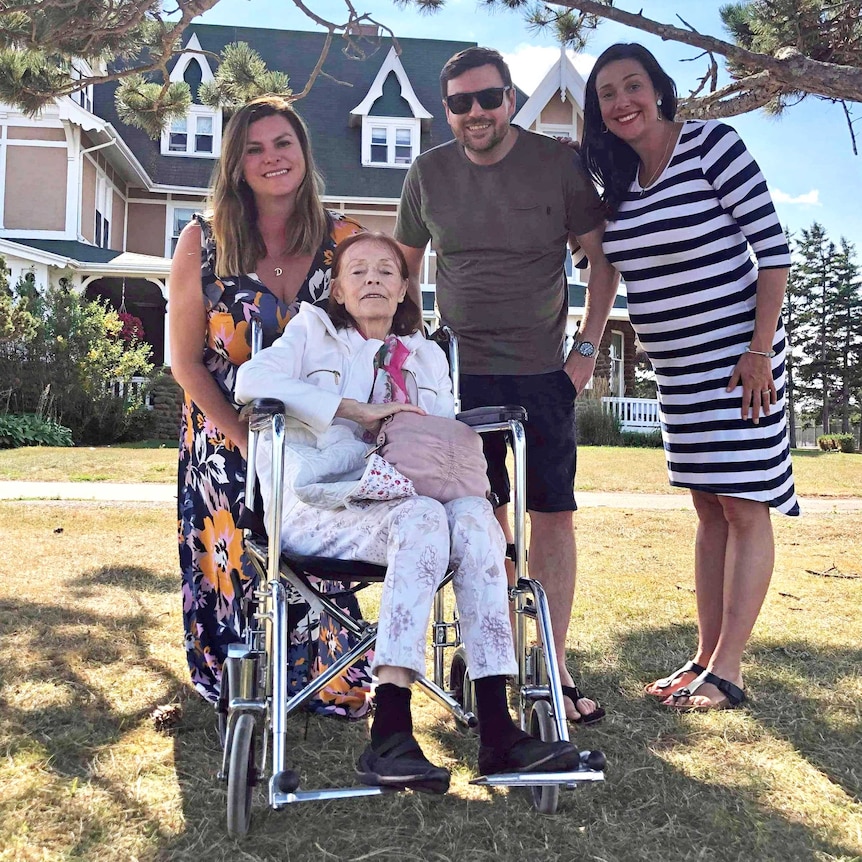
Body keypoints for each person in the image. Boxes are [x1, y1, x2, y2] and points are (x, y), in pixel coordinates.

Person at [234, 232, 582, 790]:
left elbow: (440, 439)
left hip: (414, 509)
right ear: (340, 291)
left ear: (403, 291)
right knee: (423, 517)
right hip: (324, 502)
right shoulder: (312, 333)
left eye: (386, 271)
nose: (373, 279)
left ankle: (498, 729)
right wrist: (350, 409)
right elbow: (251, 381)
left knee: (474, 517)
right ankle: (391, 727)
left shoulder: (426, 355)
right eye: (358, 271)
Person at [394, 46, 618, 724]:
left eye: (487, 98)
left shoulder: (556, 165)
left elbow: (603, 261)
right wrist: (421, 355)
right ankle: (483, 650)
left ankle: (553, 661)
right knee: (478, 521)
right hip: (461, 380)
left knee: (551, 514)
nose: (475, 112)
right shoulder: (427, 174)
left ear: (510, 97)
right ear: (447, 109)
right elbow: (403, 268)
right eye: (460, 102)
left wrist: (585, 350)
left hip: (544, 371)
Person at [581, 43, 799, 711]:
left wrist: (760, 351)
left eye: (632, 85)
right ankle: (705, 656)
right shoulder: (618, 185)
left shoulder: (712, 147)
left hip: (741, 363)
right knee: (708, 506)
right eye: (608, 94)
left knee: (743, 503)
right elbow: (609, 270)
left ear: (659, 88)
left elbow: (774, 253)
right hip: (679, 371)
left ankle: (729, 670)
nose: (622, 102)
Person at [169, 95, 369, 716]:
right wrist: (246, 439)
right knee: (239, 553)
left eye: (282, 143)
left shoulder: (346, 242)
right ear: (234, 165)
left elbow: (375, 339)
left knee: (317, 549)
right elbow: (185, 362)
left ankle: (324, 671)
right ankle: (239, 673)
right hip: (225, 436)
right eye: (253, 149)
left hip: (320, 435)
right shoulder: (201, 242)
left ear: (305, 154)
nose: (270, 158)